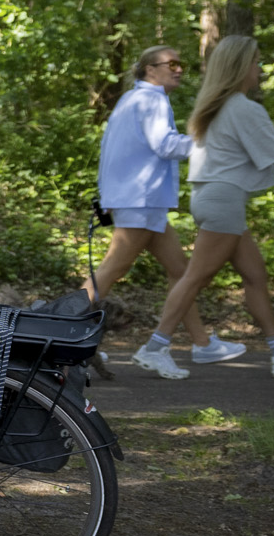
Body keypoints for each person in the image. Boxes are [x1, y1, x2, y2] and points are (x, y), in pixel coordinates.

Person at [135, 35, 274, 380]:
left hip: (215, 198)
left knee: (255, 275)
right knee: (196, 277)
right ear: (241, 67)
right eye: (255, 62)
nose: (260, 69)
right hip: (223, 200)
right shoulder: (243, 109)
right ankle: (154, 347)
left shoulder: (217, 105)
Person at [96, 44, 232, 377]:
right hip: (140, 199)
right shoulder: (152, 99)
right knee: (112, 270)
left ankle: (202, 344)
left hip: (140, 199)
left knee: (180, 271)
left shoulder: (132, 99)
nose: (179, 69)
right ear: (150, 69)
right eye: (171, 64)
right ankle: (58, 338)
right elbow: (166, 145)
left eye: (180, 63)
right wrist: (210, 142)